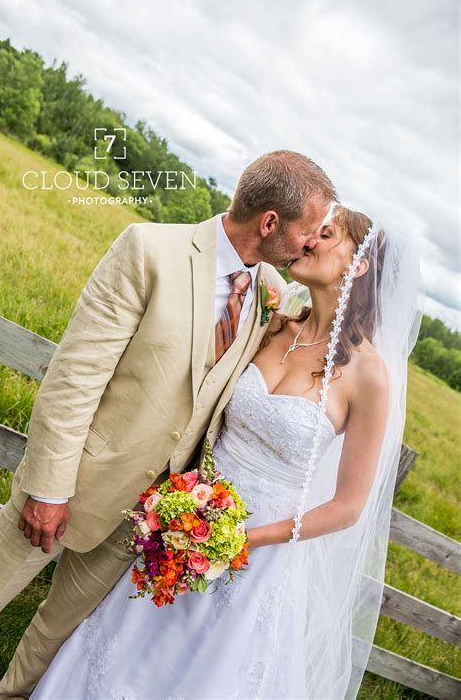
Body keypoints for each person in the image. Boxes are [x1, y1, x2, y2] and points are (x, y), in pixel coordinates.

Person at [26, 205, 421, 699]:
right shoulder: (273, 323)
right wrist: (185, 507)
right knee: (127, 650)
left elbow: (347, 508)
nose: (307, 240)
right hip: (183, 517)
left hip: (259, 552)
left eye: (326, 234)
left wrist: (244, 541)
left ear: (358, 265)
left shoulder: (370, 377)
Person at [0, 150, 337, 698]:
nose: (310, 244)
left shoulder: (270, 293)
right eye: (307, 232)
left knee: (53, 638)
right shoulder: (149, 250)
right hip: (73, 483)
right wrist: (48, 488)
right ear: (270, 223)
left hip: (146, 516)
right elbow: (75, 377)